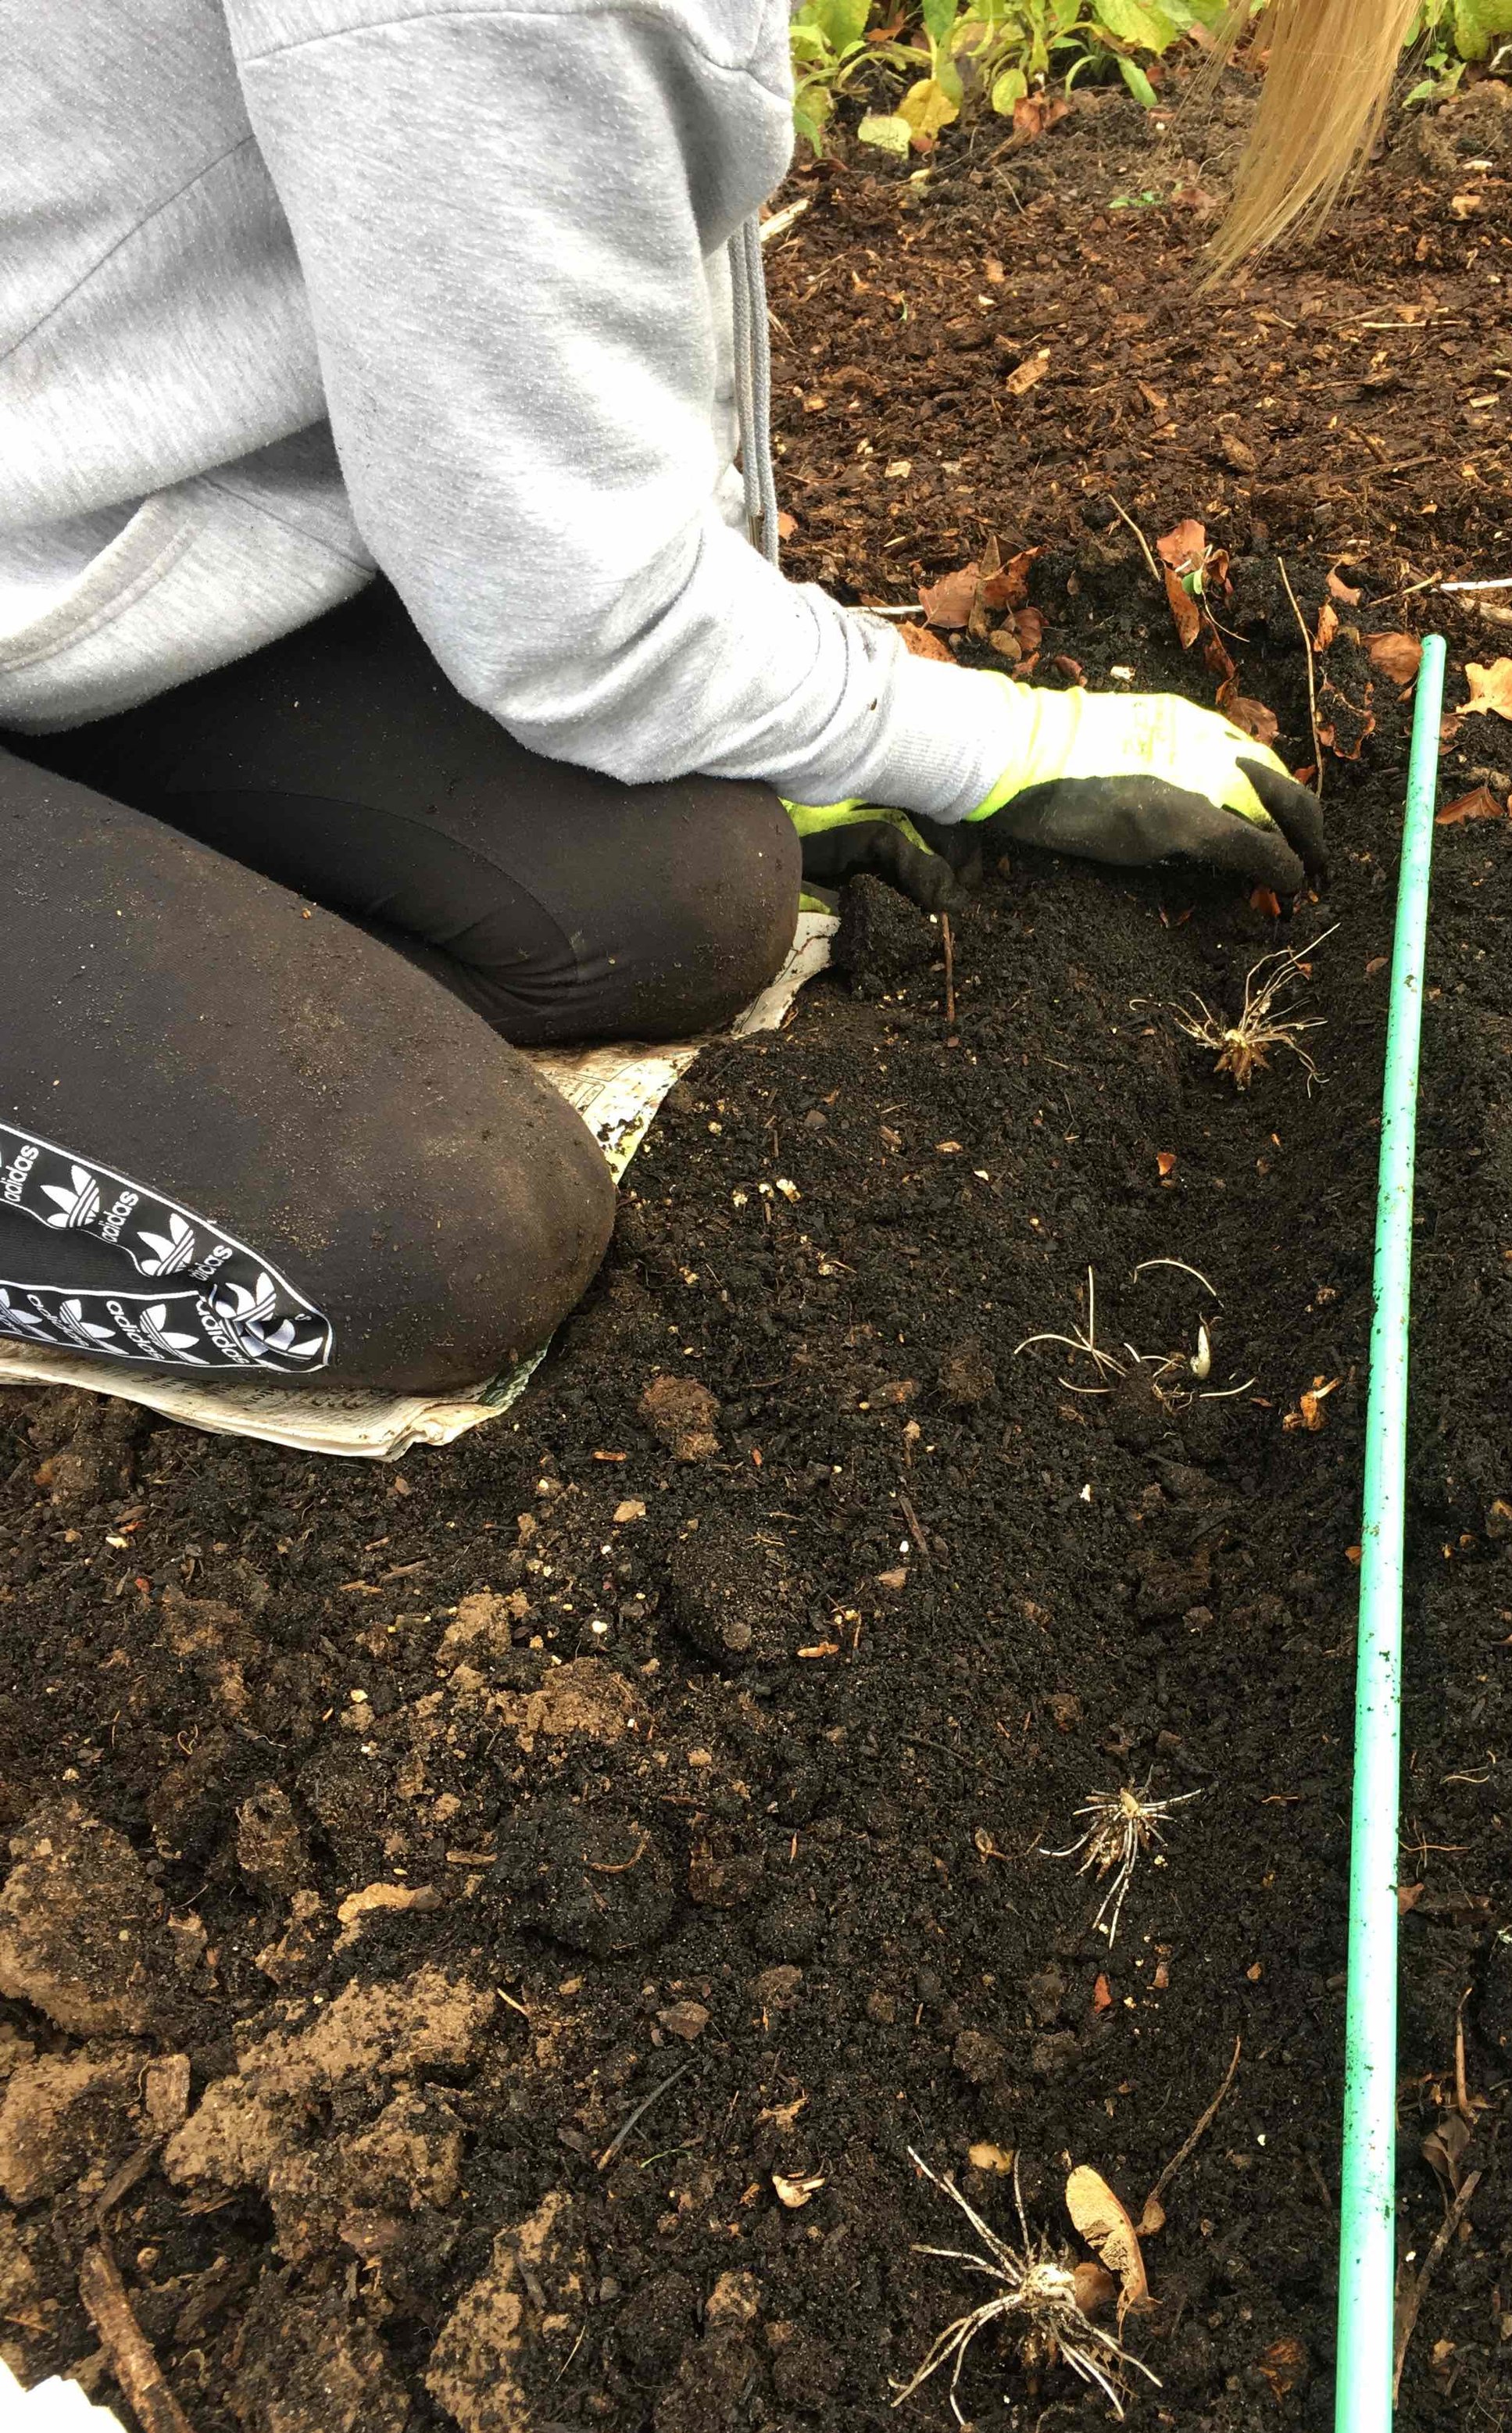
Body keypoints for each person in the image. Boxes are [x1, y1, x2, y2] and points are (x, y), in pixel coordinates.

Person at [0, 0, 1411, 1391]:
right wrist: (996, 741)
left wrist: (767, 716)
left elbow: (555, 455)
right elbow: (579, 622)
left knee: (691, 897)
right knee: (428, 1240)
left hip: (74, 553)